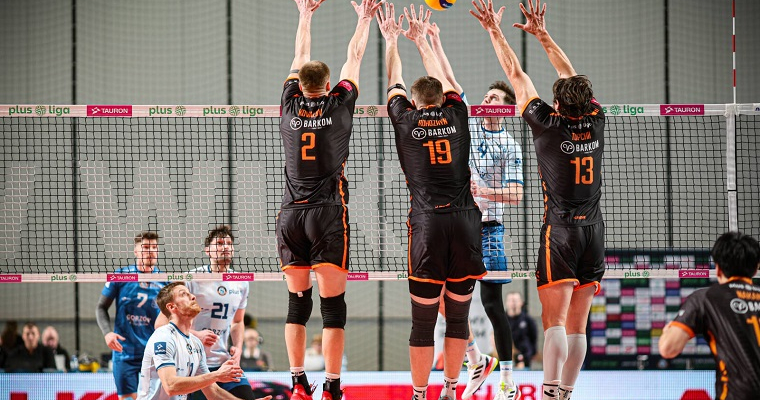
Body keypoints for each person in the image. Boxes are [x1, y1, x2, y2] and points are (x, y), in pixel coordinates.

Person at [471, 1, 606, 399]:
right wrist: (544, 35)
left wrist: (494, 29)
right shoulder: (596, 120)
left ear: (557, 105)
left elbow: (515, 73)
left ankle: (547, 392)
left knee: (555, 323)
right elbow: (571, 77)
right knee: (578, 328)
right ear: (586, 102)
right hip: (594, 232)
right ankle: (565, 391)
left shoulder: (547, 125)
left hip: (561, 234)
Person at [378, 4, 487, 400]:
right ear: (443, 98)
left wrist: (392, 40)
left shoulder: (404, 119)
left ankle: (420, 394)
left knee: (423, 323)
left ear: (414, 101)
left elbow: (394, 80)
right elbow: (444, 78)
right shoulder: (458, 113)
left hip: (427, 224)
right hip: (465, 222)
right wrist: (423, 40)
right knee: (457, 318)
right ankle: (452, 389)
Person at [277, 1, 382, 399]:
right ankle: (333, 388)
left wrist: (304, 14)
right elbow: (354, 57)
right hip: (327, 214)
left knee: (297, 304)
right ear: (327, 84)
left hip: (291, 215)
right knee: (333, 308)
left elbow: (299, 55)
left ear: (299, 84)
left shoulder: (289, 104)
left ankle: (297, 382)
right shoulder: (339, 104)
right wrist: (364, 19)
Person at [426, 16, 524, 400]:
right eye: (486, 96)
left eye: (495, 98)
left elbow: (516, 195)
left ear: (507, 109)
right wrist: (433, 40)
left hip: (491, 228)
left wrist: (484, 190)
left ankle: (508, 379)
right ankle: (475, 359)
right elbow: (448, 79)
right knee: (443, 300)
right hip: (460, 223)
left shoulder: (511, 146)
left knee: (493, 304)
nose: (487, 101)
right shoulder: (467, 122)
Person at [156, 225, 253, 400]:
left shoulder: (241, 282)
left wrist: (238, 347)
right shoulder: (191, 279)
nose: (225, 247)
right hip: (193, 362)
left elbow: (238, 322)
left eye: (229, 244)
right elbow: (160, 324)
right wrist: (196, 335)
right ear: (208, 250)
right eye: (220, 243)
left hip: (224, 361)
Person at [659, 232, 760, 400]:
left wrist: (667, 331)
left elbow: (668, 349)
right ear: (756, 268)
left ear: (717, 268)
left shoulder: (705, 298)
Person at [137, 282, 272, 400]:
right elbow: (171, 386)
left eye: (190, 293)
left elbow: (213, 392)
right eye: (184, 294)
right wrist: (217, 375)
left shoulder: (196, 344)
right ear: (172, 307)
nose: (193, 297)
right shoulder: (164, 337)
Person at [97, 231, 167, 400]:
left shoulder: (165, 281)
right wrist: (107, 333)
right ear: (136, 251)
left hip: (153, 353)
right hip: (124, 352)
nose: (150, 251)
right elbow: (101, 307)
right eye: (146, 247)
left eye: (154, 247)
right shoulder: (121, 276)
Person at [505, 292, 537, 369]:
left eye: (515, 300)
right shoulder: (502, 320)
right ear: (506, 303)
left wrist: (530, 354)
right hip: (506, 359)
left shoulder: (528, 320)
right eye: (511, 300)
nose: (513, 303)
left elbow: (534, 337)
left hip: (525, 358)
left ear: (521, 302)